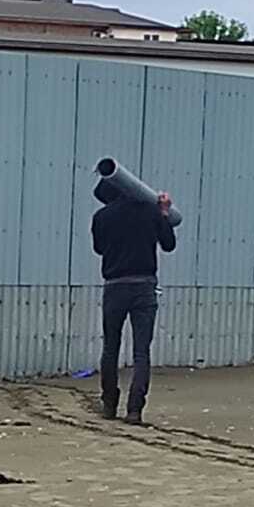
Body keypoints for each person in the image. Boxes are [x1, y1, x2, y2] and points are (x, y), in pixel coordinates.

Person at [90, 178, 177, 424]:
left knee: (110, 347)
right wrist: (164, 212)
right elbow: (169, 244)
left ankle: (109, 404)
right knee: (141, 351)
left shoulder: (101, 217)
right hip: (144, 285)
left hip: (114, 286)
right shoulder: (150, 211)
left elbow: (99, 249)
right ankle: (135, 409)